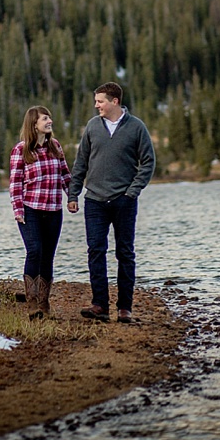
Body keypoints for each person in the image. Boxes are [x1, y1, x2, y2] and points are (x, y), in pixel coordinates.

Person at [67, 82, 155, 323]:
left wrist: (132, 192)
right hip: (94, 200)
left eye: (100, 101)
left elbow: (148, 162)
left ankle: (124, 308)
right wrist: (73, 195)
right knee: (96, 251)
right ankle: (100, 305)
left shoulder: (137, 127)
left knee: (125, 253)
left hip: (123, 201)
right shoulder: (92, 127)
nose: (97, 105)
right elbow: (81, 163)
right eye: (96, 101)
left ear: (115, 101)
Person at [9, 105, 70, 320]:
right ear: (34, 124)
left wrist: (71, 197)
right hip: (30, 209)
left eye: (50, 117)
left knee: (48, 256)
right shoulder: (21, 150)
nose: (49, 121)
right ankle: (32, 302)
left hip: (54, 210)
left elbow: (65, 175)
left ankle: (44, 303)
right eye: (45, 118)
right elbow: (15, 183)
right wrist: (18, 209)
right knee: (34, 250)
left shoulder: (55, 147)